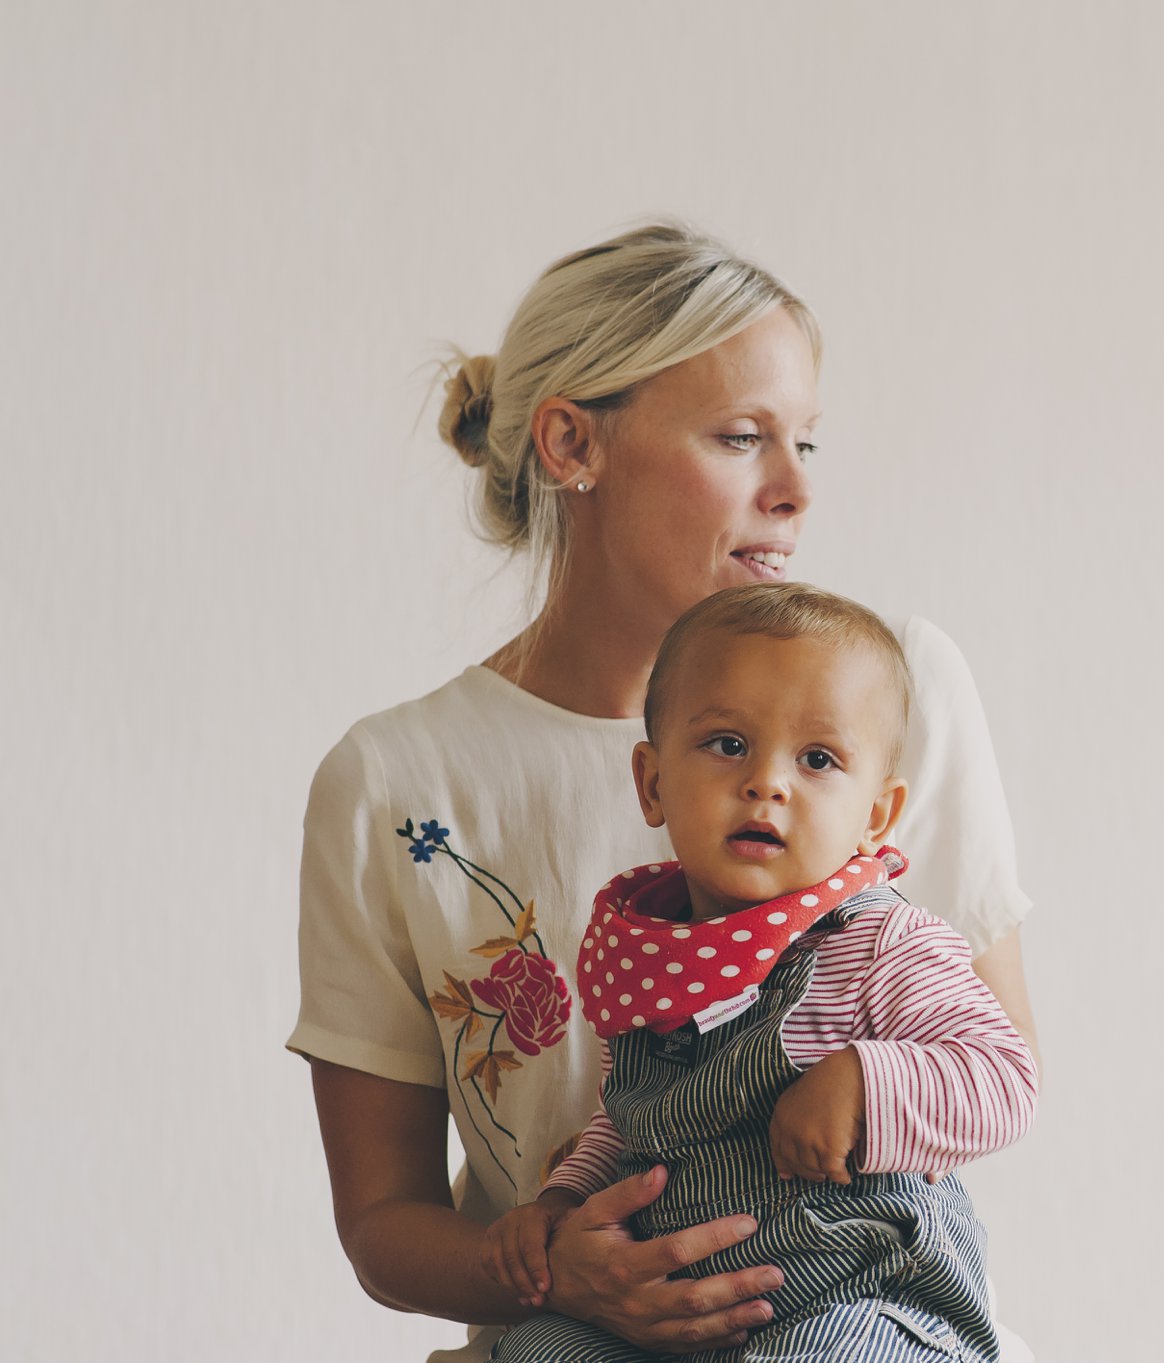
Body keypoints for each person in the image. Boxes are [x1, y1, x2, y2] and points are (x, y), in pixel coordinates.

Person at [290, 222, 1040, 1363]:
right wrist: (562, 1270)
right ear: (569, 444)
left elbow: (994, 1066)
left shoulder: (894, 694)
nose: (792, 491)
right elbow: (384, 1223)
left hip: (845, 1316)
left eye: (806, 443)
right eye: (741, 438)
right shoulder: (395, 782)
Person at [485, 582, 1036, 1363]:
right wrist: (562, 1200)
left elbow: (1005, 1076)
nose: (767, 781)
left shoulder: (883, 941)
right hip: (681, 1318)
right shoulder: (651, 957)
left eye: (818, 759)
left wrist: (863, 1080)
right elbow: (635, 1115)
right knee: (538, 1350)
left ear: (876, 816)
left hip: (863, 1296)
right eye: (727, 744)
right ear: (652, 782)